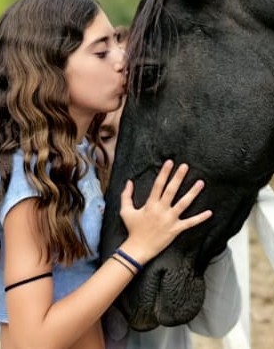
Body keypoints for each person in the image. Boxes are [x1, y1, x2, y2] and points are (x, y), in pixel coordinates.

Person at [0, 0, 214, 349]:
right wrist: (137, 249)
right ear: (49, 69)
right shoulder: (30, 178)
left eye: (116, 43)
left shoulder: (70, 157)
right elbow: (34, 338)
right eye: (101, 51)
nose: (123, 59)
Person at [98, 23, 241, 349]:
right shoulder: (69, 214)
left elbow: (217, 321)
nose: (125, 157)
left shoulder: (170, 214)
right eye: (105, 136)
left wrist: (208, 235)